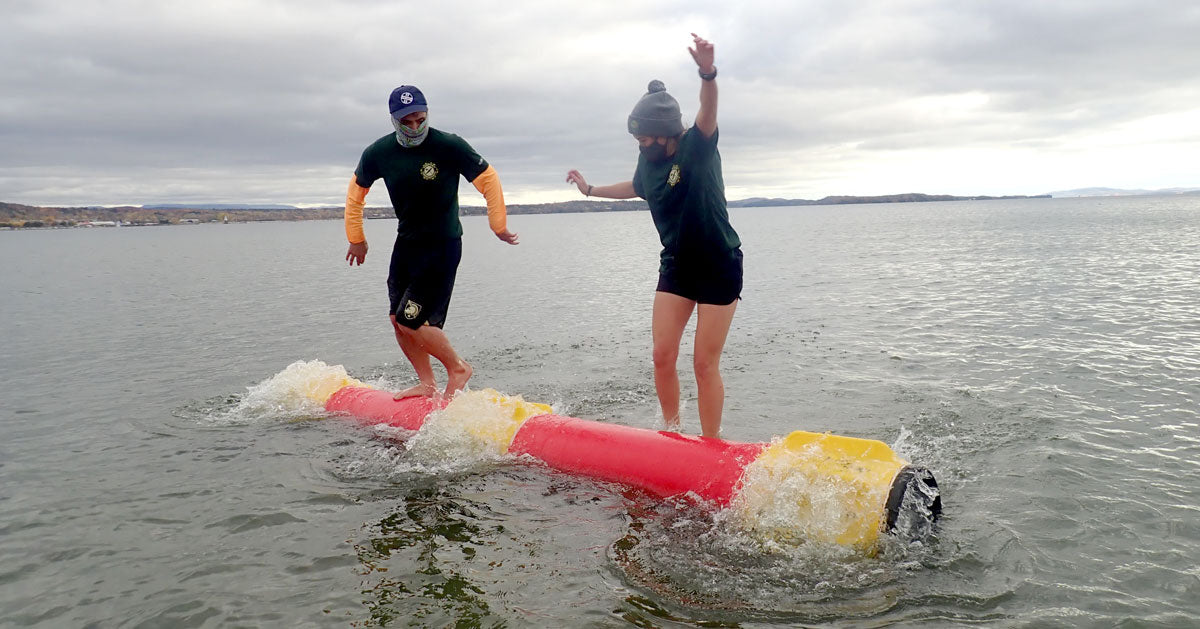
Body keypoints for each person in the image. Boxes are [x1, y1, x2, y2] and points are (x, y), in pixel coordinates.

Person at [565, 33, 742, 439]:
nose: (640, 144)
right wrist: (590, 190)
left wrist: (707, 73)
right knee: (662, 355)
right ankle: (672, 435)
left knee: (703, 363)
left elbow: (708, 110)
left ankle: (711, 444)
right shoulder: (648, 160)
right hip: (677, 266)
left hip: (719, 263)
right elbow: (634, 186)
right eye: (637, 139)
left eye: (644, 137)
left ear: (666, 133)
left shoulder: (696, 147)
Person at [344, 85, 519, 400]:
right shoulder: (378, 152)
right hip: (407, 243)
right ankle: (427, 384)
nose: (414, 127)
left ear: (427, 114)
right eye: (406, 122)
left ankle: (458, 368)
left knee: (412, 320)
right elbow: (356, 192)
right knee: (397, 319)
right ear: (394, 120)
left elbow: (489, 179)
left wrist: (498, 225)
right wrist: (356, 238)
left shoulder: (448, 145)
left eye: (419, 119)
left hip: (442, 244)